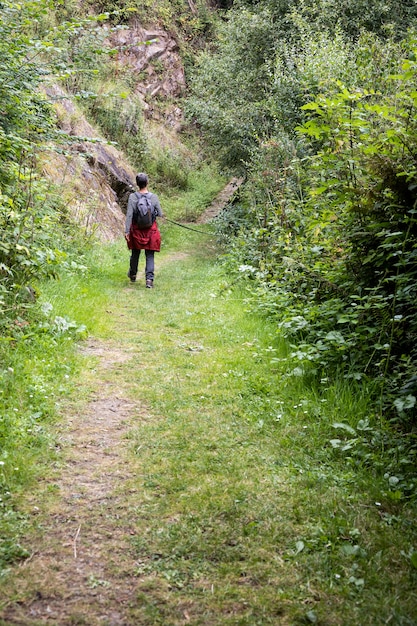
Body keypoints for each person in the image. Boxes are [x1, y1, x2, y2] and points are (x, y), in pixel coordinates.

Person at [125, 173, 164, 288]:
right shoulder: (154, 197)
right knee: (150, 254)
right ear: (147, 183)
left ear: (137, 184)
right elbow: (160, 214)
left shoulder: (133, 197)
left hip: (136, 230)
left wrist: (127, 231)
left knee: (135, 253)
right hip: (150, 230)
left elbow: (129, 215)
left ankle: (132, 274)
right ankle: (149, 280)